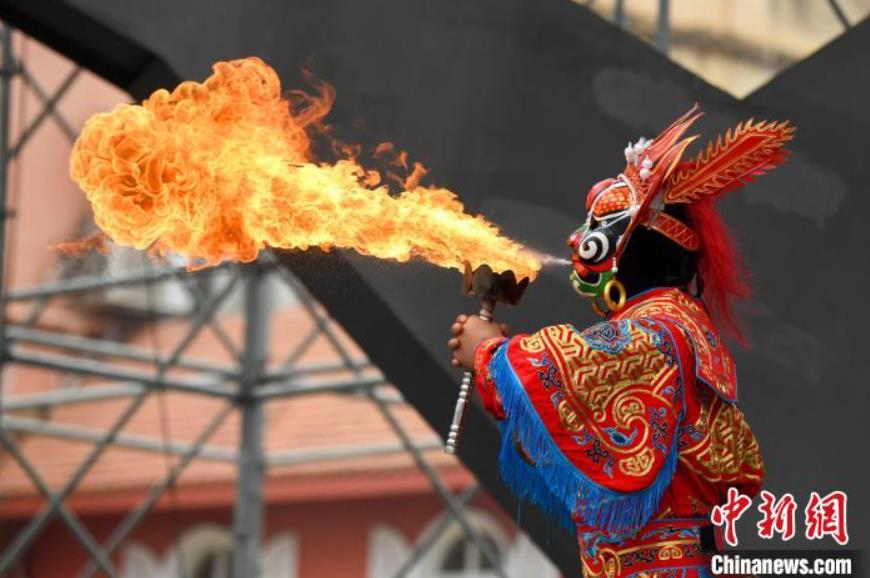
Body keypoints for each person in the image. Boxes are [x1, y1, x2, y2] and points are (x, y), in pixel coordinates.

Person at [447, 105, 793, 578]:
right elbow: (586, 433)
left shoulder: (656, 330)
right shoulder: (677, 325)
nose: (575, 239)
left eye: (593, 227)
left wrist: (490, 353)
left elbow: (568, 365)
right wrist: (501, 372)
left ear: (622, 247)